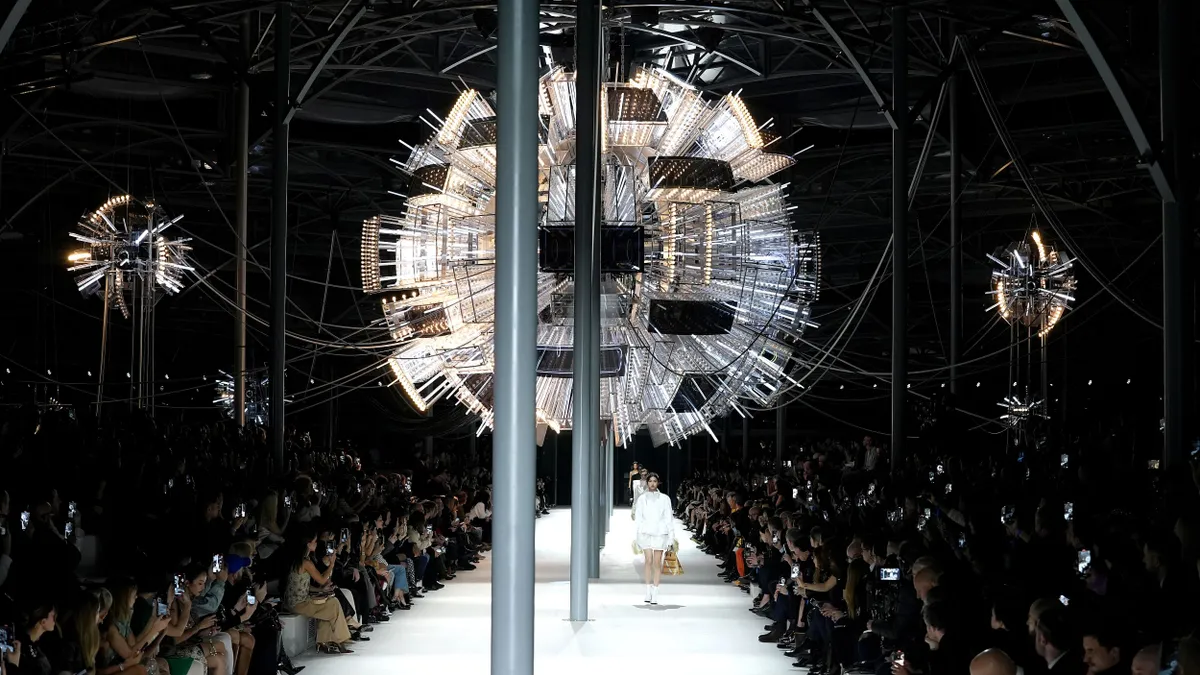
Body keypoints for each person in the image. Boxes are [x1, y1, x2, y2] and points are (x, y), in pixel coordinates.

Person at [633, 473, 674, 605]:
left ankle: (655, 592)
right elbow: (638, 518)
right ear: (647, 483)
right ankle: (647, 591)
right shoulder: (642, 499)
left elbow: (669, 518)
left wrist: (671, 537)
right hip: (645, 533)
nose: (652, 483)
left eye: (654, 481)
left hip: (660, 533)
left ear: (658, 483)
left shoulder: (664, 499)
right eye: (650, 481)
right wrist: (638, 535)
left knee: (657, 563)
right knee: (648, 561)